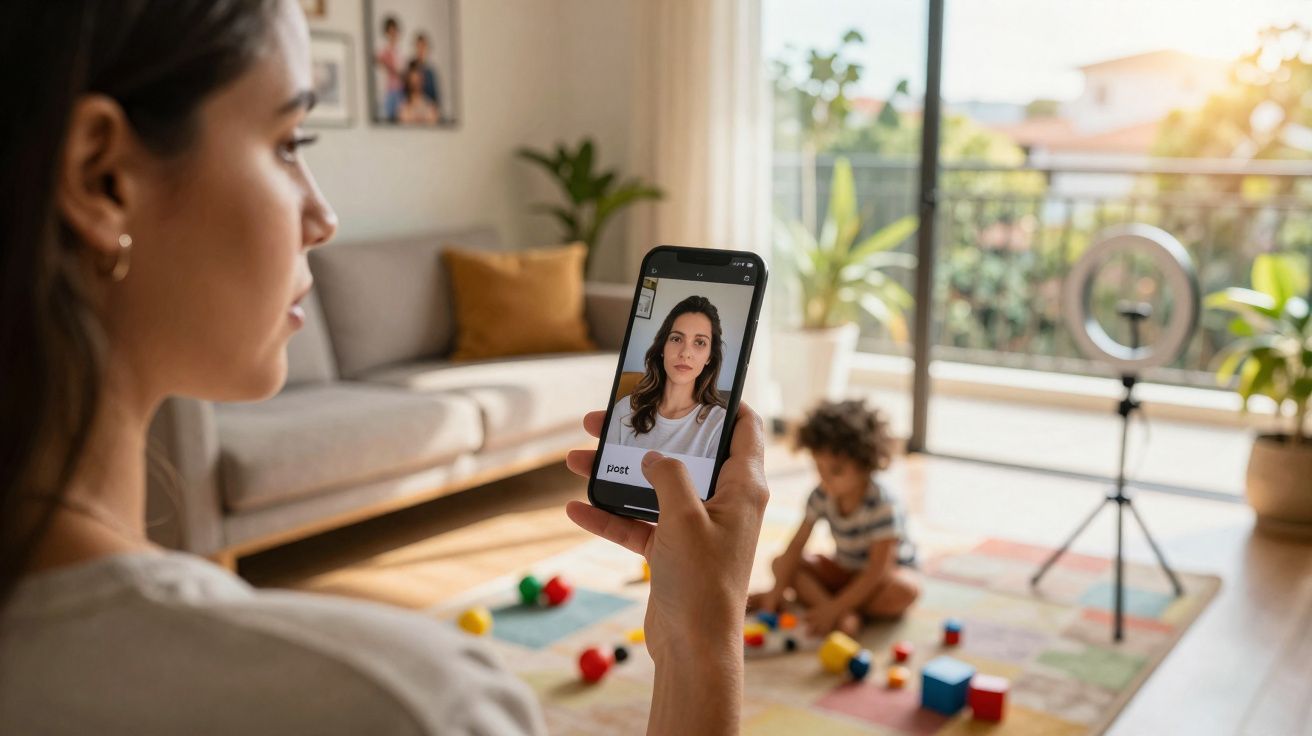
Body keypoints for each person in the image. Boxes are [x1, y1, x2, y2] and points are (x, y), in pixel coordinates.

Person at [0, 2, 770, 734]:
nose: (324, 216)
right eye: (289, 142)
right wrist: (703, 646)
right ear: (103, 179)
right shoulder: (401, 706)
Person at [749, 399, 920, 637]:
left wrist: (835, 607)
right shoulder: (821, 495)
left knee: (905, 591)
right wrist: (776, 592)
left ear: (864, 464)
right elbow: (797, 545)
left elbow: (877, 571)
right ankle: (842, 614)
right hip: (845, 569)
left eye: (836, 470)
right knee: (781, 563)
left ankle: (835, 609)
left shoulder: (883, 505)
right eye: (819, 467)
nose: (825, 478)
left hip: (882, 577)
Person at [606, 295, 729, 458]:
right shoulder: (625, 409)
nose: (685, 353)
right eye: (677, 339)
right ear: (663, 347)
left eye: (700, 342)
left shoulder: (719, 423)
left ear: (709, 357)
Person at [373, 14, 403, 121]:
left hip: (400, 91)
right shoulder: (383, 51)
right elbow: (379, 64)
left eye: (394, 31)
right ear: (386, 33)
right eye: (390, 32)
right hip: (388, 91)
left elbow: (401, 71)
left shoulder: (401, 50)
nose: (393, 34)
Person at [396, 60, 440, 126]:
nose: (417, 78)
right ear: (408, 79)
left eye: (420, 74)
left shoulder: (430, 107)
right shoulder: (403, 107)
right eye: (414, 73)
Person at [411, 32, 442, 115]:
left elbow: (435, 100)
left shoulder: (431, 73)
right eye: (419, 46)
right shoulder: (410, 70)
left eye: (423, 46)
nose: (421, 50)